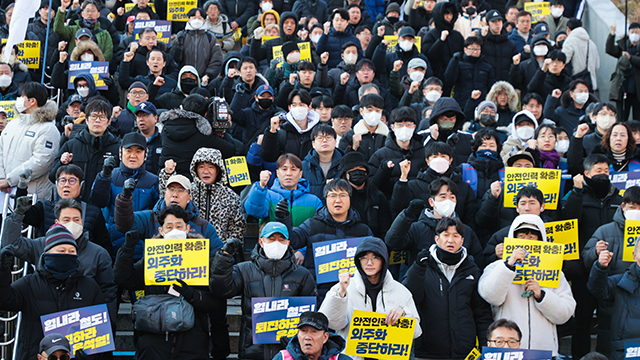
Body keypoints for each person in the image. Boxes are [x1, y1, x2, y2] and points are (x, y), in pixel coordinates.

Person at [114, 206, 218, 360]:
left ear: (187, 228)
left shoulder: (200, 259)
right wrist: (127, 249)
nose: (174, 230)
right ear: (161, 231)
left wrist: (192, 295)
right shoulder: (151, 259)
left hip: (192, 338)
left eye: (179, 226)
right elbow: (124, 279)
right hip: (155, 338)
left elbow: (214, 301)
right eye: (169, 227)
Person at [2, 197, 117, 325]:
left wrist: (109, 325)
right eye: (66, 220)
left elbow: (107, 293)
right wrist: (17, 216)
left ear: (82, 222)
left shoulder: (99, 253)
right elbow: (11, 244)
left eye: (76, 220)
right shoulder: (41, 245)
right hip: (44, 319)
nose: (72, 223)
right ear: (57, 222)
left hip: (81, 325)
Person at [210, 222, 317, 360]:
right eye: (271, 239)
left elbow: (311, 315)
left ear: (288, 243)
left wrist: (296, 339)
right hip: (252, 351)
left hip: (290, 352)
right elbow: (221, 290)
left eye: (281, 239)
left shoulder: (302, 275)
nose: (276, 243)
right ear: (261, 242)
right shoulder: (244, 270)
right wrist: (224, 258)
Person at [0, 225, 105, 360]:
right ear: (47, 253)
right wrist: (3, 270)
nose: (67, 254)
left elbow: (100, 332)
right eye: (61, 250)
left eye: (72, 251)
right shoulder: (29, 283)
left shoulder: (90, 287)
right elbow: (4, 301)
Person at [478, 214, 576, 356]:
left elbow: (565, 313)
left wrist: (542, 295)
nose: (526, 241)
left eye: (532, 237)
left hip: (542, 350)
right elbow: (490, 295)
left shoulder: (555, 272)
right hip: (507, 349)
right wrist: (508, 266)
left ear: (540, 239)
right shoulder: (497, 267)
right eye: (521, 236)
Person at [403, 217, 492, 359]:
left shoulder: (472, 270)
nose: (451, 240)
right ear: (437, 239)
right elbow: (407, 300)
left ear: (462, 241)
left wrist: (485, 349)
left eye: (456, 236)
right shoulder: (422, 265)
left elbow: (481, 314)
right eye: (446, 235)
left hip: (464, 352)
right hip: (428, 353)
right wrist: (418, 269)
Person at [319, 237, 421, 359]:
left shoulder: (401, 291)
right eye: (364, 257)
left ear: (384, 260)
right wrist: (341, 293)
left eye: (375, 257)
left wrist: (404, 313)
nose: (369, 263)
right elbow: (331, 323)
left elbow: (416, 332)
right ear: (358, 260)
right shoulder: (344, 287)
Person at [563, 154, 622, 359]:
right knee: (583, 321)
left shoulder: (618, 199)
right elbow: (568, 221)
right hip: (584, 269)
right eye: (598, 171)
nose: (603, 175)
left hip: (613, 270)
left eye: (606, 171)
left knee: (611, 321)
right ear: (586, 174)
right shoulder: (576, 195)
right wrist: (577, 192)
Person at [277, 179, 373, 300]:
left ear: (350, 199)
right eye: (332, 195)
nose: (338, 200)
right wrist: (283, 219)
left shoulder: (363, 231)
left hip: (353, 294)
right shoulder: (312, 225)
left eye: (343, 195)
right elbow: (293, 240)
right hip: (319, 293)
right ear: (325, 200)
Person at [385, 177, 484, 267]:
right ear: (431, 202)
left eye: (452, 197)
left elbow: (478, 263)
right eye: (443, 196)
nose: (448, 201)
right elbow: (392, 242)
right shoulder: (417, 228)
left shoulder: (466, 231)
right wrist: (407, 216)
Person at [90, 133, 160, 255]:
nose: (133, 155)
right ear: (121, 152)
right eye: (128, 150)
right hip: (111, 245)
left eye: (138, 151)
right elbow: (98, 201)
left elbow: (157, 215)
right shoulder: (110, 176)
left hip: (143, 249)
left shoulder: (153, 181)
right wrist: (104, 177)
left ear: (145, 154)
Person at [161, 147, 245, 243]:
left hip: (218, 253)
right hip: (188, 250)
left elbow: (238, 227)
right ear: (195, 169)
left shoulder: (231, 197)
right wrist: (167, 175)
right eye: (201, 167)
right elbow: (167, 204)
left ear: (218, 170)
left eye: (210, 167)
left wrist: (224, 251)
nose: (206, 171)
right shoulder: (186, 191)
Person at [389, 141, 477, 226]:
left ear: (450, 160)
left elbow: (469, 219)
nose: (439, 160)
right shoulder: (414, 186)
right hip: (421, 235)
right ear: (427, 161)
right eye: (434, 157)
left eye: (443, 156)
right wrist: (403, 178)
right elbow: (398, 209)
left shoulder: (464, 188)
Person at [49, 99, 121, 201]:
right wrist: (61, 163)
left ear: (109, 121)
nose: (97, 120)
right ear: (86, 120)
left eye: (102, 117)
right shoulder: (71, 145)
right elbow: (52, 177)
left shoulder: (117, 148)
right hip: (73, 207)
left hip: (103, 207)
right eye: (94, 116)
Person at [0, 82, 59, 201]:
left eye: (22, 97)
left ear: (32, 101)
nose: (18, 100)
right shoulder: (13, 124)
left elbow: (41, 161)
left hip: (32, 194)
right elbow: (1, 151)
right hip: (4, 193)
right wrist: (2, 179)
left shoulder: (48, 129)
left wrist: (10, 180)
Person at [588, 229, 640, 360]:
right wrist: (600, 267)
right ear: (634, 255)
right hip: (626, 350)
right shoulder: (620, 282)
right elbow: (597, 289)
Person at [159, 94, 236, 178]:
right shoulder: (202, 134)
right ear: (205, 114)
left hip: (167, 178)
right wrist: (222, 128)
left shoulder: (166, 127)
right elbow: (230, 150)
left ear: (181, 107)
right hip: (191, 182)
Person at [368, 107, 425, 197]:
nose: (404, 128)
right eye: (400, 124)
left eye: (409, 124)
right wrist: (384, 170)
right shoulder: (380, 155)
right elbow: (372, 185)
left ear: (414, 127)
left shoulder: (424, 153)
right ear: (392, 127)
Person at [338, 152, 391, 238]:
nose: (358, 172)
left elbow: (385, 229)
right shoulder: (339, 198)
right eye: (353, 169)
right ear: (345, 174)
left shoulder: (378, 197)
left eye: (361, 168)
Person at [261, 89, 321, 163]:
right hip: (289, 173)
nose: (298, 108)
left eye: (301, 105)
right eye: (294, 105)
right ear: (289, 108)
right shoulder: (282, 132)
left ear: (309, 107)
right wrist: (272, 132)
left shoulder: (318, 131)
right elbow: (268, 157)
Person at [272, 311, 353, 360]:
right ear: (298, 334)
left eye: (314, 331)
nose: (307, 337)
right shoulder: (282, 358)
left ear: (325, 337)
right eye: (304, 331)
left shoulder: (339, 359)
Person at [567, 103, 619, 175]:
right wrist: (577, 138)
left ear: (615, 119)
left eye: (611, 115)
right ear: (594, 118)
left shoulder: (620, 140)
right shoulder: (586, 140)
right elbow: (574, 165)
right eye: (603, 114)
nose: (608, 117)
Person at [171, 7, 223, 78]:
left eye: (200, 18)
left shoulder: (210, 38)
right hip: (184, 79)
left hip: (205, 79)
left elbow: (217, 59)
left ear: (204, 21)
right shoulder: (182, 36)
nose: (197, 20)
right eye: (194, 18)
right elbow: (174, 59)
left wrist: (208, 75)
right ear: (188, 20)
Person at [338, 93, 388, 162]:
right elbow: (342, 161)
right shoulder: (349, 135)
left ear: (381, 112)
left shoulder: (388, 136)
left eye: (377, 111)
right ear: (361, 111)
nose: (374, 114)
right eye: (370, 110)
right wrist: (353, 148)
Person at [424, 97, 474, 167]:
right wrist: (432, 138)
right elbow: (419, 160)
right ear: (436, 119)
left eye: (451, 119)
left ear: (457, 119)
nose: (447, 122)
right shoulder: (423, 136)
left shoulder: (467, 138)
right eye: (444, 119)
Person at [420, 2, 464, 80]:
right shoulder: (430, 35)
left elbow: (463, 55)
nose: (449, 17)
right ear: (439, 15)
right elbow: (428, 57)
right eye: (446, 14)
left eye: (451, 14)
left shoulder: (457, 35)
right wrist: (440, 41)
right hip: (437, 77)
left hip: (457, 76)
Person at [608, 22, 640, 121]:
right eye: (632, 31)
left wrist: (630, 58)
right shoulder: (623, 45)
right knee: (621, 118)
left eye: (637, 32)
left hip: (637, 90)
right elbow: (610, 49)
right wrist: (612, 34)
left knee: (637, 118)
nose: (634, 34)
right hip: (623, 88)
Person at [303, 125, 343, 198]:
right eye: (320, 138)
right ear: (313, 144)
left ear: (335, 142)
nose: (324, 141)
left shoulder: (344, 164)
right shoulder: (304, 166)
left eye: (328, 137)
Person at [562, 18, 600, 91]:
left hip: (576, 84)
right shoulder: (591, 43)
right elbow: (597, 66)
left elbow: (564, 60)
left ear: (568, 29)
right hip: (591, 83)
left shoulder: (569, 41)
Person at [483, 10, 518, 82]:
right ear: (487, 24)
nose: (497, 24)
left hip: (505, 85)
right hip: (486, 85)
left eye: (499, 21)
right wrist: (481, 37)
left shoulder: (510, 44)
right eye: (494, 22)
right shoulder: (482, 42)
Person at [134, 101, 163, 174]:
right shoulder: (131, 140)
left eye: (145, 115)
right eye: (138, 116)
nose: (141, 119)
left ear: (155, 118)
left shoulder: (163, 140)